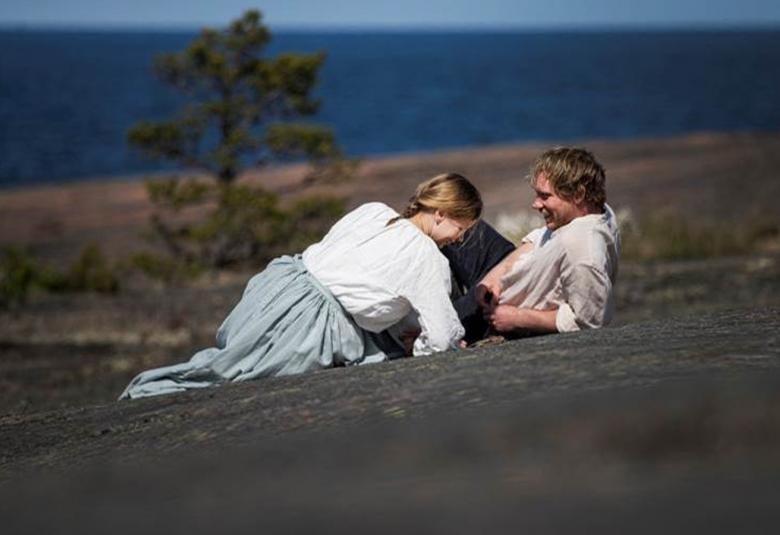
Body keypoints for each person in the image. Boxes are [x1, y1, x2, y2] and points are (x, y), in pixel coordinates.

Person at [120, 173, 482, 399]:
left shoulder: (374, 211)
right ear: (441, 214)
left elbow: (356, 275)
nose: (457, 240)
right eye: (460, 229)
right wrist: (427, 345)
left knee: (226, 363)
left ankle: (155, 389)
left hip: (279, 285)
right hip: (309, 324)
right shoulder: (427, 258)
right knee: (226, 382)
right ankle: (148, 393)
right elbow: (440, 336)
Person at [444, 147, 620, 341]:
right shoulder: (597, 211)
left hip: (495, 313)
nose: (535, 204)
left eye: (545, 196)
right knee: (449, 216)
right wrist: (494, 276)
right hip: (507, 279)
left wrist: (516, 318)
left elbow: (590, 321)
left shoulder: (583, 248)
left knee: (430, 328)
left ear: (578, 195)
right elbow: (537, 239)